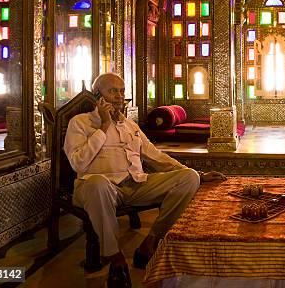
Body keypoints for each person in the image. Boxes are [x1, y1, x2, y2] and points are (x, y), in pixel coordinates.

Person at [64, 73, 225, 288]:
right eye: (112, 91)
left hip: (135, 184)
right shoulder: (80, 123)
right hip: (97, 188)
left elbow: (157, 157)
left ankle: (150, 243)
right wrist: (103, 126)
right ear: (97, 97)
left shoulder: (130, 126)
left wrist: (198, 174)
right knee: (97, 184)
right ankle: (115, 258)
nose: (119, 97)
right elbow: (78, 163)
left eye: (121, 91)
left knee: (188, 178)